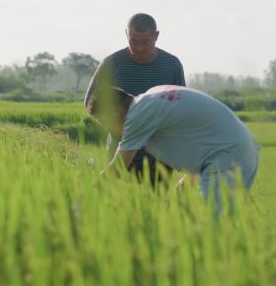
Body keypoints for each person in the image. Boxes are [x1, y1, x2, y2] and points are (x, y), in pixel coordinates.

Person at [86, 85, 260, 203]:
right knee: (195, 216)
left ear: (115, 111)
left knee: (210, 230)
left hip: (228, 156)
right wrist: (189, 177)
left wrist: (83, 199)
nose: (110, 130)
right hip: (237, 149)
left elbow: (118, 169)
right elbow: (196, 133)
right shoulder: (150, 98)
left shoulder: (137, 116)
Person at [84, 13, 186, 185]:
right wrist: (119, 129)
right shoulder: (111, 64)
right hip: (119, 150)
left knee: (156, 207)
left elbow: (180, 107)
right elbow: (91, 103)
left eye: (145, 41)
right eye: (133, 41)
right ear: (126, 34)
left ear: (156, 36)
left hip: (159, 156)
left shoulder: (172, 65)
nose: (139, 48)